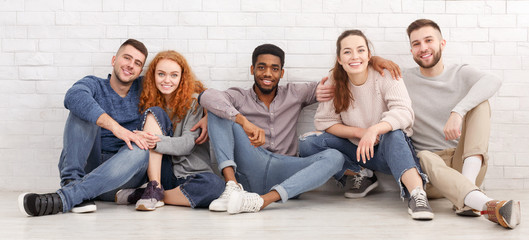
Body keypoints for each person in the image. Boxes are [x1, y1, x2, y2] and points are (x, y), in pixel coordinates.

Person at [200, 43, 399, 215]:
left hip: (286, 170)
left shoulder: (294, 93)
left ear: (281, 72)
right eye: (261, 67)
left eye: (274, 68)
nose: (267, 73)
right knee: (218, 112)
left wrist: (371, 61)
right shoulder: (238, 96)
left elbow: (342, 78)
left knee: (334, 157)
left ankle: (263, 201)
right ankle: (232, 187)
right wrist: (243, 121)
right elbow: (207, 96)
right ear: (252, 69)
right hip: (251, 163)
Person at [298, 30, 433, 220]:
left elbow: (404, 113)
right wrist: (359, 132)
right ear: (339, 59)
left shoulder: (386, 74)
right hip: (357, 150)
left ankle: (417, 195)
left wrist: (374, 129)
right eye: (347, 52)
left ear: (369, 55)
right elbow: (325, 122)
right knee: (308, 142)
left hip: (387, 151)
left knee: (394, 133)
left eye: (360, 50)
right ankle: (362, 172)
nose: (354, 56)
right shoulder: (334, 81)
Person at [403, 19, 520, 229]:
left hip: (465, 163)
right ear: (411, 49)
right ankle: (480, 202)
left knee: (481, 102)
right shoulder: (403, 78)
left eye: (429, 40)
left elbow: (493, 80)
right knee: (422, 155)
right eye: (416, 43)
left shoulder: (459, 72)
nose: (423, 48)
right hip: (431, 175)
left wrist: (458, 111)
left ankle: (466, 192)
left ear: (442, 43)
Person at [18, 39, 152, 217]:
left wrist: (201, 100)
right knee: (82, 109)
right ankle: (73, 184)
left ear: (141, 70)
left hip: (123, 177)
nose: (130, 65)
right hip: (89, 167)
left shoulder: (145, 88)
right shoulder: (94, 84)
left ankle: (68, 197)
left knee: (142, 151)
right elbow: (73, 96)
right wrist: (116, 128)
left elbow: (177, 84)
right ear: (114, 60)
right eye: (126, 58)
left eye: (137, 63)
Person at [114, 50, 224, 210]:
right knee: (154, 111)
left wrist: (155, 140)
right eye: (161, 74)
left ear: (182, 78)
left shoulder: (194, 102)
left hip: (191, 173)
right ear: (153, 76)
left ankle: (146, 194)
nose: (167, 80)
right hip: (161, 172)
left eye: (173, 75)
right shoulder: (148, 101)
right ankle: (155, 186)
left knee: (215, 186)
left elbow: (187, 144)